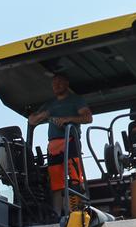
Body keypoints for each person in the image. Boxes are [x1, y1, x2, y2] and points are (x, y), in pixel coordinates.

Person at [27, 72, 92, 215]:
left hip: (71, 141)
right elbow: (31, 120)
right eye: (54, 83)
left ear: (67, 84)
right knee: (56, 184)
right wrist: (43, 115)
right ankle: (57, 215)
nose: (56, 85)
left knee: (75, 178)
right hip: (53, 147)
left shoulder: (76, 100)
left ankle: (77, 212)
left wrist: (67, 119)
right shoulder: (49, 104)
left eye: (60, 82)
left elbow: (88, 118)